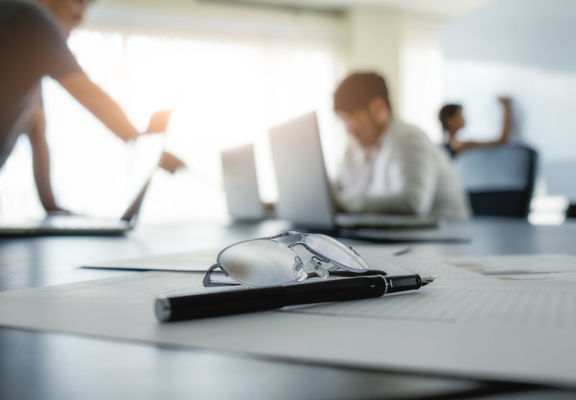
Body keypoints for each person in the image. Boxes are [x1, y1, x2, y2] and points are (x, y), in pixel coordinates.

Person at [0, 0, 185, 214]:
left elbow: (37, 131)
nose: (79, 19)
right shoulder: (31, 16)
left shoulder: (24, 71)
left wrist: (51, 206)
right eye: (78, 5)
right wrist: (143, 145)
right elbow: (91, 97)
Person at [333, 72, 470, 219]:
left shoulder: (409, 138)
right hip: (401, 235)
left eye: (350, 118)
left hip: (447, 235)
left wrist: (344, 202)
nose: (348, 129)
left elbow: (411, 202)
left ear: (379, 108)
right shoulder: (356, 148)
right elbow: (338, 189)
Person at [439, 97, 512, 157]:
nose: (463, 118)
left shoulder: (448, 145)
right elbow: (502, 140)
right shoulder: (460, 145)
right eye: (460, 115)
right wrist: (506, 107)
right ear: (450, 121)